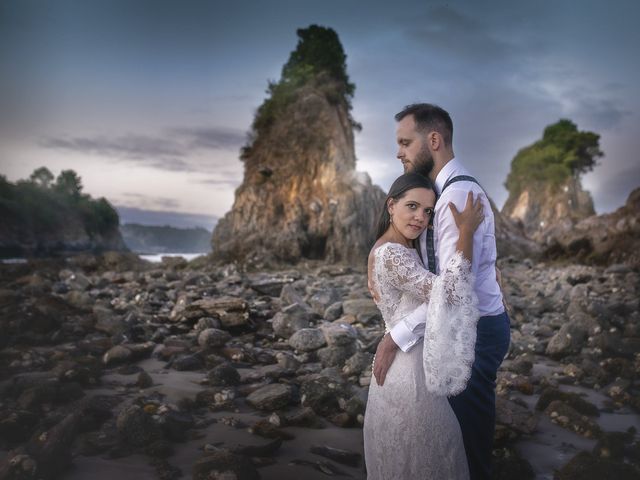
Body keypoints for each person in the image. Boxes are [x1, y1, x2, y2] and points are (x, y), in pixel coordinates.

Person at [373, 103, 511, 480]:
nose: (398, 152)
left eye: (405, 142)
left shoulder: (454, 197)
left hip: (473, 330)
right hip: (469, 324)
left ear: (433, 140)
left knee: (467, 447)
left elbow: (455, 290)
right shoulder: (442, 193)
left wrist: (395, 337)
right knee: (455, 440)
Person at [363, 172, 484, 479]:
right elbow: (451, 294)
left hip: (406, 364)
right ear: (391, 205)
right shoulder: (392, 254)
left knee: (416, 457)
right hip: (409, 375)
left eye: (428, 211)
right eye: (412, 206)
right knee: (430, 456)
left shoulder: (398, 248)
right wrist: (466, 233)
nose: (420, 218)